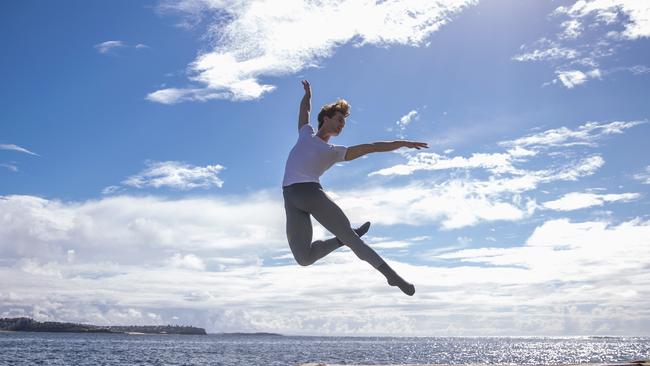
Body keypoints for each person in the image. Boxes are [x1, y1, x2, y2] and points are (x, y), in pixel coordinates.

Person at [282, 80, 428, 296]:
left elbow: (373, 147)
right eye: (339, 120)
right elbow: (305, 110)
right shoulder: (305, 133)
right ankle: (342, 238)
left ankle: (392, 276)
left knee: (353, 240)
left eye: (344, 122)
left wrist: (403, 143)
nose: (342, 125)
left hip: (310, 192)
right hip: (290, 197)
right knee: (304, 258)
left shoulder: (335, 151)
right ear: (326, 118)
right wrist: (308, 94)